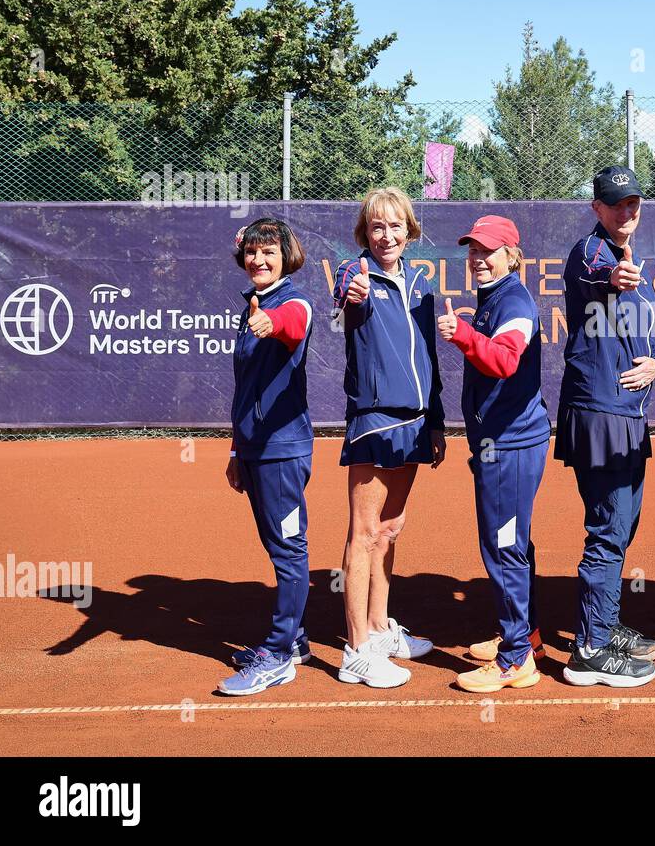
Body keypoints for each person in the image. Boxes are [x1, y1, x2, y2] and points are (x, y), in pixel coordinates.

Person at [557, 166, 655, 687]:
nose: (626, 211)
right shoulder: (591, 252)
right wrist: (615, 276)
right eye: (616, 204)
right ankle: (590, 649)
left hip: (628, 415)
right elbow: (599, 273)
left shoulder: (639, 272)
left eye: (633, 204)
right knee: (607, 529)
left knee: (624, 524)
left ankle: (605, 622)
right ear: (597, 208)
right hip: (599, 413)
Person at [332, 187, 445, 688]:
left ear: (410, 231)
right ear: (365, 233)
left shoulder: (421, 284)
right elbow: (345, 299)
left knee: (390, 530)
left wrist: (438, 419)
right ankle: (356, 650)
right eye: (377, 227)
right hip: (376, 421)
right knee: (362, 534)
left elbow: (430, 360)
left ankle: (379, 627)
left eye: (395, 226)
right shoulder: (355, 274)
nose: (386, 235)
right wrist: (349, 292)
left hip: (418, 423)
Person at [437, 215, 551, 693]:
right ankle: (526, 637)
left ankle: (516, 659)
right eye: (472, 251)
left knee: (503, 548)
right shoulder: (493, 300)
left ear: (511, 256)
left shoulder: (516, 303)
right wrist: (469, 326)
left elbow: (504, 361)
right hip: (499, 444)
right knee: (512, 545)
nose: (478, 259)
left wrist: (462, 334)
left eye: (488, 250)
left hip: (511, 447)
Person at [219, 218, 315, 696]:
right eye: (252, 252)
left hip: (283, 449)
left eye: (269, 252)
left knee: (289, 551)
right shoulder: (251, 307)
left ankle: (278, 655)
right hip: (255, 449)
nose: (259, 259)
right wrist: (238, 447)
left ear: (286, 256)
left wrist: (270, 322)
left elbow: (293, 324)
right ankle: (294, 641)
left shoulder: (290, 302)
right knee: (277, 548)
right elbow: (246, 389)